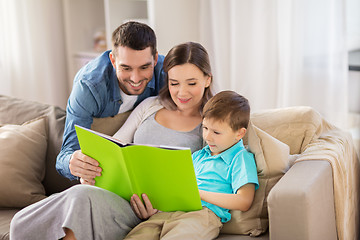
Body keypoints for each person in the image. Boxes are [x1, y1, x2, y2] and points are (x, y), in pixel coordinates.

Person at [10, 42, 214, 240]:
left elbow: (210, 181)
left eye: (192, 83)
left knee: (80, 199)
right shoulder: (151, 105)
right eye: (174, 83)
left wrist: (159, 211)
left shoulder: (211, 125)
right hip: (119, 197)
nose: (182, 92)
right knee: (73, 196)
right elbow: (114, 146)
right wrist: (92, 169)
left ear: (207, 80)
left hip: (158, 211)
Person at [125, 90, 259, 240]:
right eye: (205, 128)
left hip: (203, 215)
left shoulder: (241, 158)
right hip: (171, 211)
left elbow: (244, 201)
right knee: (139, 235)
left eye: (216, 132)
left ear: (239, 134)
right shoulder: (199, 155)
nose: (207, 136)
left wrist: (197, 193)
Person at [57, 21, 165, 182]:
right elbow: (64, 157)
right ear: (113, 61)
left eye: (144, 67)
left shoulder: (167, 74)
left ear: (155, 59)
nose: (135, 78)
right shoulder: (88, 86)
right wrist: (74, 163)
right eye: (126, 68)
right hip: (70, 128)